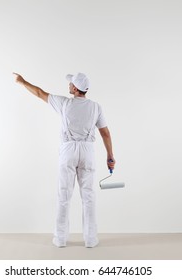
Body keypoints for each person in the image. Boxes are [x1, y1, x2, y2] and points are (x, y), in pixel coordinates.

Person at [13, 72, 115, 248]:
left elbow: (39, 93)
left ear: (75, 88)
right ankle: (90, 239)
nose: (68, 86)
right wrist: (110, 156)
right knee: (89, 196)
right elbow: (105, 133)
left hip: (68, 150)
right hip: (88, 150)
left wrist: (22, 82)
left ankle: (60, 239)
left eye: (70, 84)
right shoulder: (96, 107)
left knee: (64, 195)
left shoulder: (64, 103)